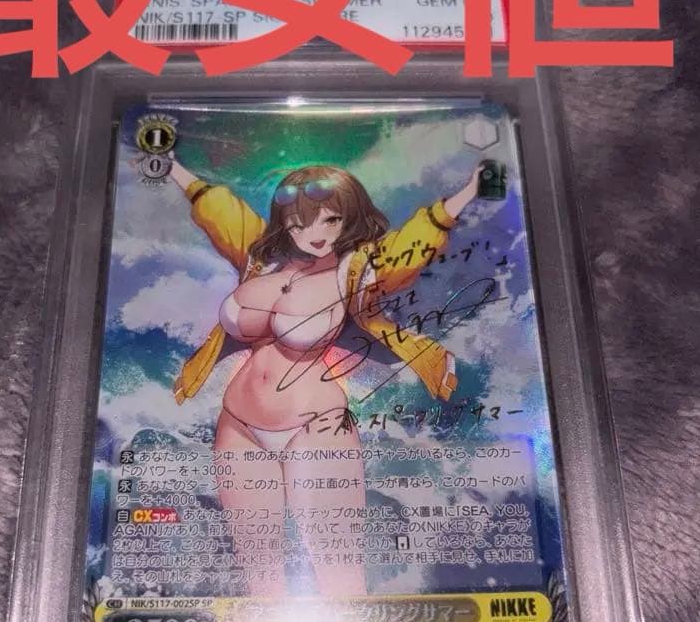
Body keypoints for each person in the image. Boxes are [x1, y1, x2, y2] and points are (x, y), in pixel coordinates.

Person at [167, 157, 483, 596]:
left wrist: (466, 194)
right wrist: (171, 167)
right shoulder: (260, 259)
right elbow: (221, 211)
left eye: (330, 219)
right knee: (260, 576)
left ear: (349, 217)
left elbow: (413, 243)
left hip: (316, 428)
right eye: (299, 222)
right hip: (238, 426)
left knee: (340, 573)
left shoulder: (356, 271)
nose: (314, 232)